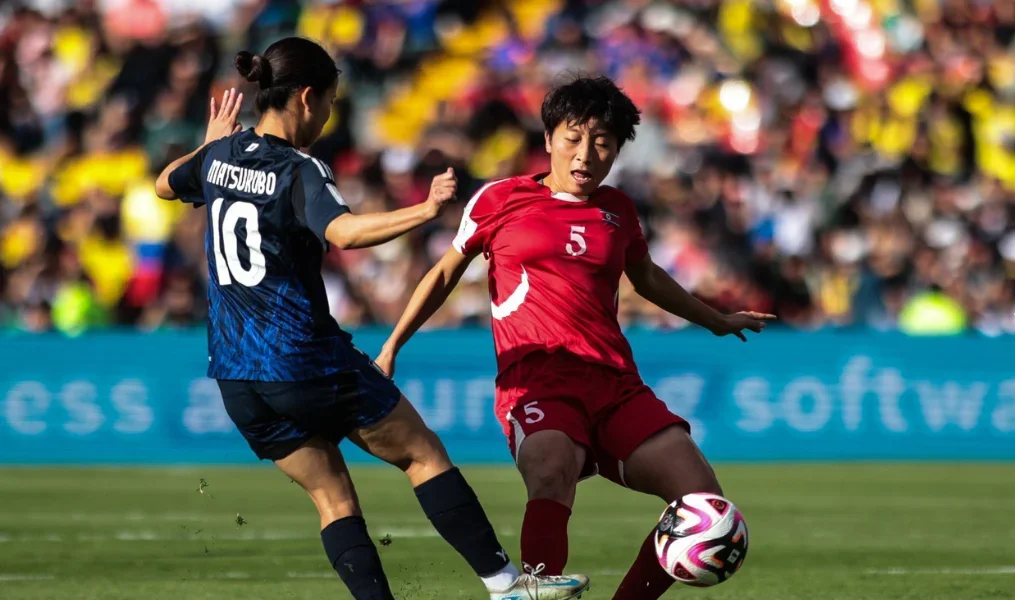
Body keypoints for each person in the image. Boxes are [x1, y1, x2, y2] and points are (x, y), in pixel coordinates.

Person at [154, 37, 590, 600]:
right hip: (303, 359)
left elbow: (165, 185)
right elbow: (345, 232)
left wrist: (207, 146)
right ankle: (508, 585)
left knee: (333, 500)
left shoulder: (219, 157)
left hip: (237, 378)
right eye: (330, 102)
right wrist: (426, 210)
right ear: (307, 97)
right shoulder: (299, 167)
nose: (330, 115)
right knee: (422, 454)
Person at [376, 75, 775, 599]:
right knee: (551, 467)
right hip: (538, 379)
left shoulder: (619, 211)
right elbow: (445, 274)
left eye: (602, 143)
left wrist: (717, 321)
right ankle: (535, 592)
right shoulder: (500, 199)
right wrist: (391, 346)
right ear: (548, 139)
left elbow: (648, 277)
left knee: (704, 503)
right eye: (573, 137)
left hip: (614, 384)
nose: (586, 154)